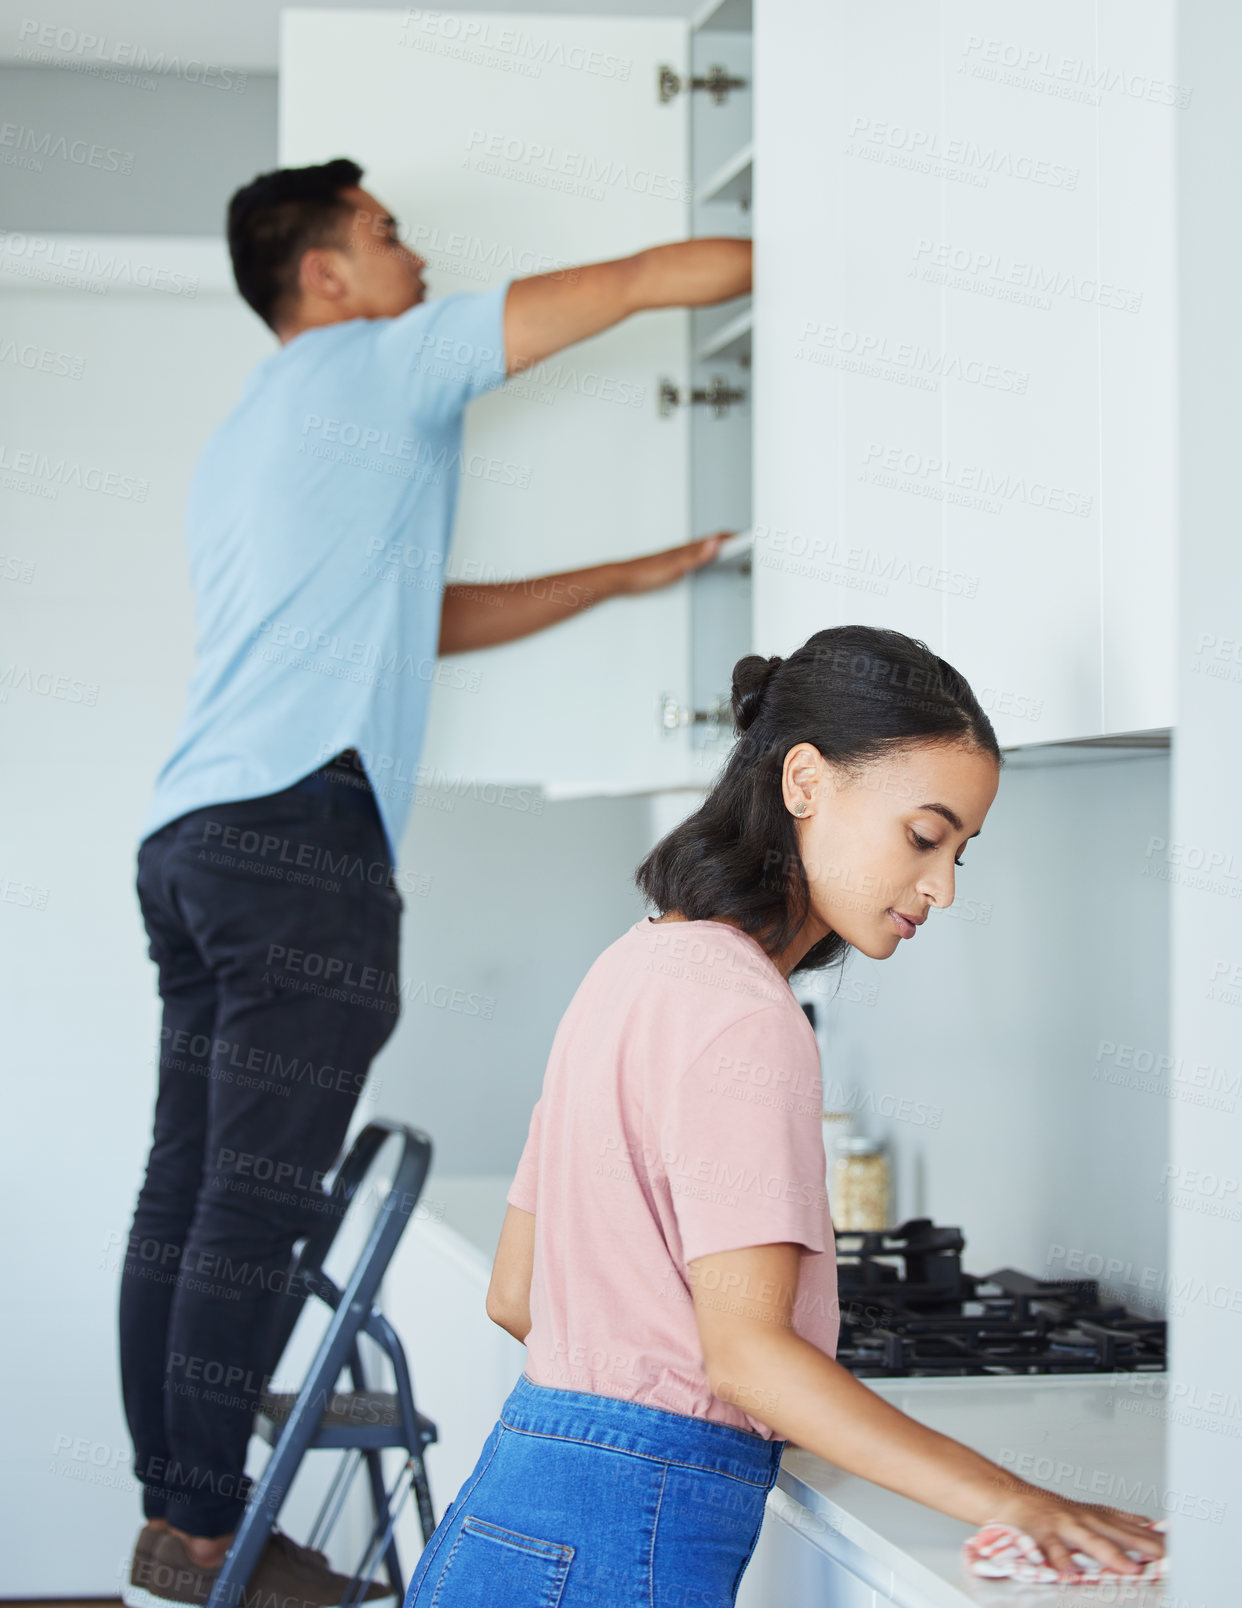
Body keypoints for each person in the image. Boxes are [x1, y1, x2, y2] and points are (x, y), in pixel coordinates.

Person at [120, 155, 747, 1608]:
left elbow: (421, 620)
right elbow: (655, 282)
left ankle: (179, 1513)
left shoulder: (257, 431)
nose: (415, 260)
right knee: (247, 1197)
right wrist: (818, 252)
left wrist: (624, 576)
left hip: (193, 835)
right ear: (323, 275)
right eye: (387, 237)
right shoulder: (382, 358)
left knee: (189, 1189)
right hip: (295, 845)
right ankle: (212, 1528)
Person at [403, 624, 1168, 1606]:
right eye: (924, 836)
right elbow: (749, 1356)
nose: (940, 886)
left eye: (961, 854)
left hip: (508, 1521)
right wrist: (1018, 1501)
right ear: (805, 779)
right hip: (623, 1547)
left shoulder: (631, 964)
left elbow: (517, 1294)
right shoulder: (742, 1014)